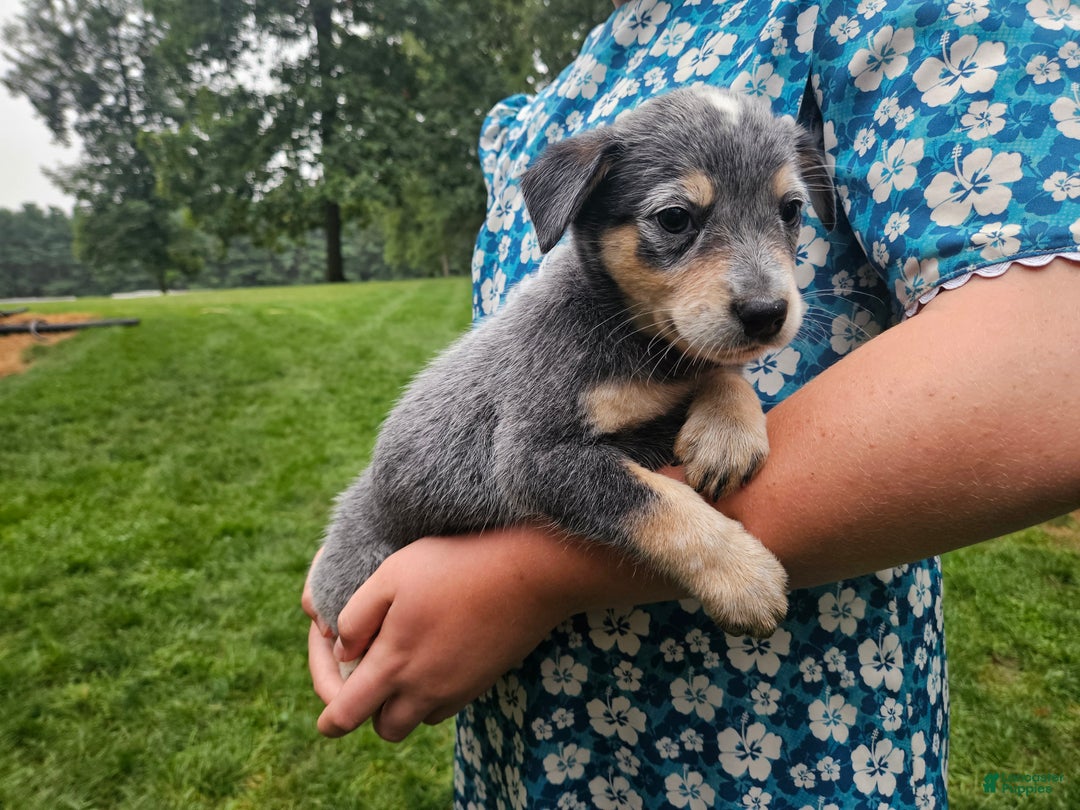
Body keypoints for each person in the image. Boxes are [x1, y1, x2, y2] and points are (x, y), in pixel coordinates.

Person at [305, 0, 1080, 806]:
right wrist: (359, 539)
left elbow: (1060, 356)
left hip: (783, 739)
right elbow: (543, 455)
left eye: (785, 215)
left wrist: (724, 390)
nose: (761, 285)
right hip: (515, 707)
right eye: (677, 220)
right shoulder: (558, 106)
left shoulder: (864, 18)